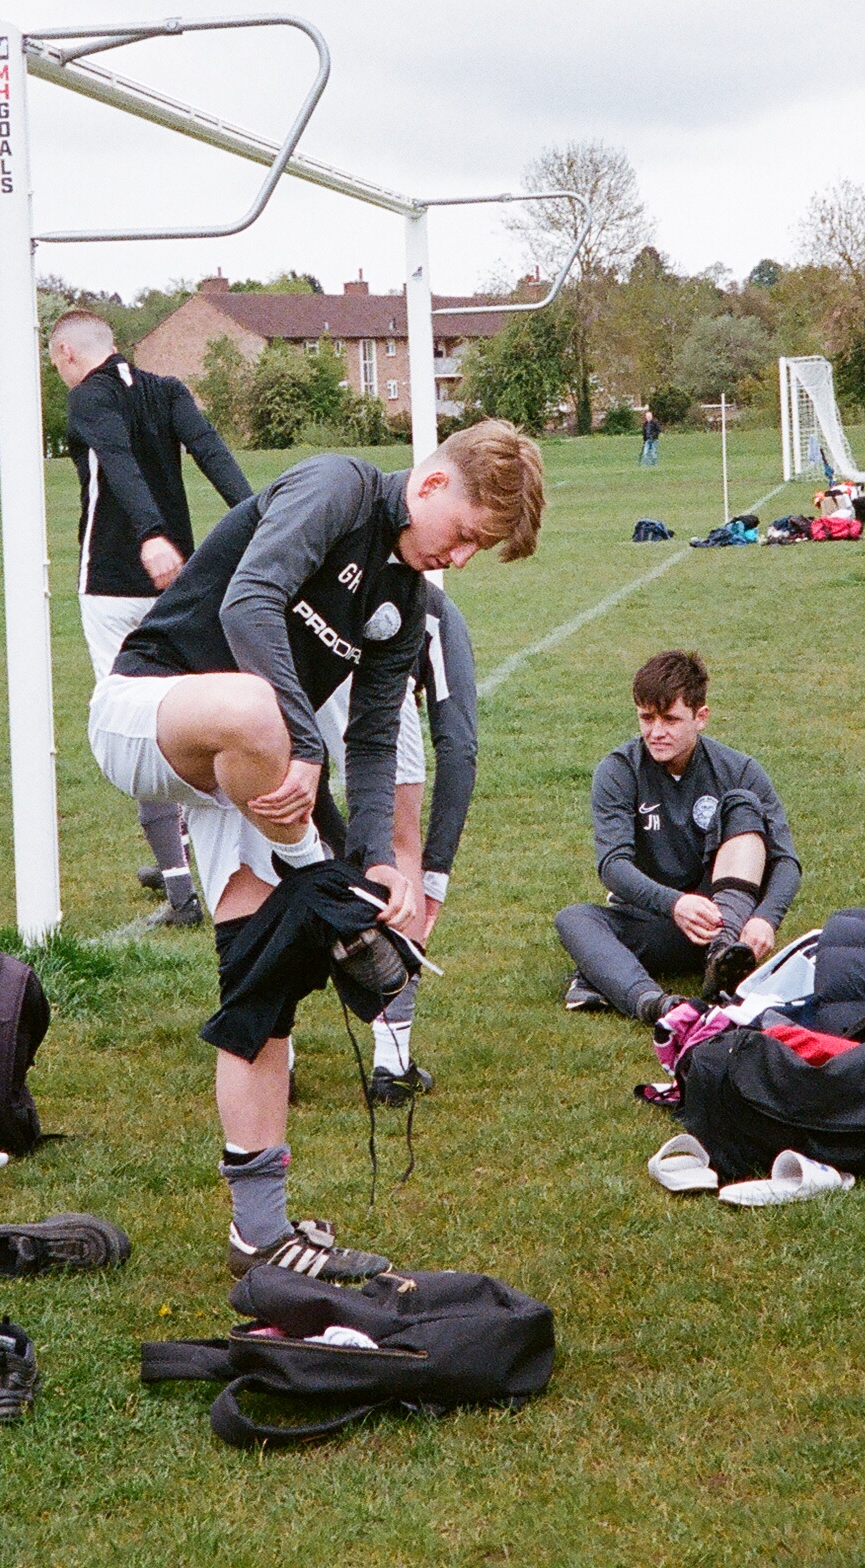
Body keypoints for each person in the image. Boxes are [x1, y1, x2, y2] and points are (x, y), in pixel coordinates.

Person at [92, 421, 543, 1281]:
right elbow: (248, 601)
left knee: (259, 981)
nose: (460, 558)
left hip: (245, 773)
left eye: (477, 550)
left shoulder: (406, 602)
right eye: (465, 534)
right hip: (149, 713)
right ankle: (319, 880)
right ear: (431, 484)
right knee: (260, 714)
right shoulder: (338, 487)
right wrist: (303, 746)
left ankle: (258, 1232)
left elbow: (372, 738)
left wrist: (377, 858)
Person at [50, 307, 254, 929]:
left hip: (114, 584)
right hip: (182, 585)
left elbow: (118, 460)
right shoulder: (167, 389)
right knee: (187, 712)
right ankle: (184, 861)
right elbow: (212, 453)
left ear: (66, 354)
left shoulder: (87, 397)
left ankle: (180, 888)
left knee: (133, 720)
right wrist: (260, 515)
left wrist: (149, 534)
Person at [556, 649, 802, 1024]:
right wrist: (674, 904)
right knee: (574, 919)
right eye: (646, 718)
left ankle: (722, 958)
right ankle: (657, 1004)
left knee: (743, 804)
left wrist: (765, 919)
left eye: (670, 719)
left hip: (723, 921)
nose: (656, 732)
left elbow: (785, 862)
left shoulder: (739, 770)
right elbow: (612, 866)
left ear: (701, 717)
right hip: (656, 920)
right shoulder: (619, 770)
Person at [315, 588, 477, 1103]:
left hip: (282, 669)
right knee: (400, 841)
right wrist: (434, 875)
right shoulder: (432, 609)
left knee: (276, 851)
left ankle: (276, 1056)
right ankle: (392, 1062)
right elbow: (458, 748)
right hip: (366, 681)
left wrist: (340, 849)